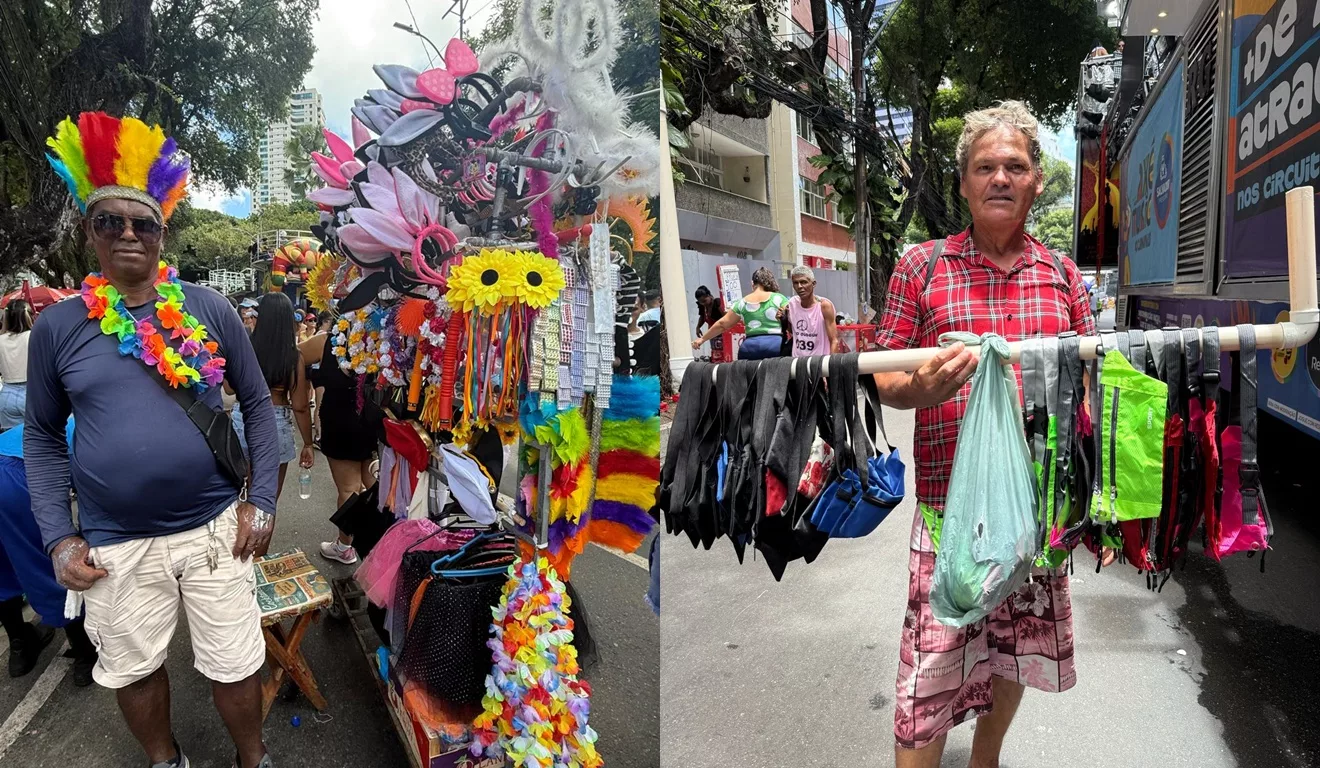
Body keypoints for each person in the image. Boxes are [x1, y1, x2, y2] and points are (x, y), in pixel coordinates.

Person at [26, 112, 280, 768]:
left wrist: (267, 501)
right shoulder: (58, 327)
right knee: (133, 670)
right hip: (114, 543)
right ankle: (166, 760)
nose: (130, 234)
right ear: (91, 232)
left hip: (215, 529)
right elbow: (43, 435)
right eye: (112, 222)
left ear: (162, 233)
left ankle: (253, 758)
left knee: (236, 664)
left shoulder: (208, 307)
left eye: (145, 223)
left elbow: (256, 400)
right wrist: (58, 537)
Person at [870, 101, 1099, 768]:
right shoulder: (922, 267)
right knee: (930, 667)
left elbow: (1089, 386)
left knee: (1015, 648)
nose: (1000, 177)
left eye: (1015, 166)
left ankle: (986, 757)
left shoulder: (1063, 277)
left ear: (1035, 183)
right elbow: (884, 372)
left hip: (1038, 511)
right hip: (950, 512)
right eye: (985, 167)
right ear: (964, 184)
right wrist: (922, 389)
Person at [0, 419, 99, 686]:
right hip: (16, 476)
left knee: (2, 570)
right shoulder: (100, 427)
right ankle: (85, 655)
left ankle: (19, 646)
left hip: (10, 461)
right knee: (51, 563)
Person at [227, 293, 315, 530]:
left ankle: (235, 556)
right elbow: (300, 405)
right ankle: (258, 558)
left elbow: (228, 386)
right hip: (276, 423)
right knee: (265, 501)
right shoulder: (293, 357)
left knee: (238, 495)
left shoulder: (246, 348)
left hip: (240, 417)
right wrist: (308, 442)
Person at [299, 321, 382, 565]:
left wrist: (303, 381)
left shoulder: (325, 340)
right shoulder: (378, 339)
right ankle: (381, 543)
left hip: (338, 421)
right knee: (373, 485)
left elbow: (292, 354)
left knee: (349, 489)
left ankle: (347, 546)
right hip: (370, 418)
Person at [691, 267, 788, 360]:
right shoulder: (779, 298)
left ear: (752, 283)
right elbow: (791, 319)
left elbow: (722, 324)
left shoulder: (742, 303)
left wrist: (702, 339)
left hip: (749, 349)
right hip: (775, 346)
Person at [783, 266, 840, 357]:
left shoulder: (824, 306)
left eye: (804, 282)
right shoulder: (792, 304)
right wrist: (782, 319)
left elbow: (834, 340)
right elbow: (794, 331)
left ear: (813, 284)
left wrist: (831, 366)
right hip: (798, 362)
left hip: (819, 363)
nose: (799, 286)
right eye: (796, 283)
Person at [0, 299, 33, 430]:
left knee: (11, 444)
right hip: (32, 394)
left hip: (6, 394)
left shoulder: (0, 340)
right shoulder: (34, 336)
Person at [692, 286, 725, 362]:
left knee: (723, 353)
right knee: (715, 353)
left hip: (722, 332)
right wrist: (698, 327)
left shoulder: (717, 303)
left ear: (709, 296)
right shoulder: (702, 306)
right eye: (701, 302)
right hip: (712, 333)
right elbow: (702, 317)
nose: (703, 304)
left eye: (704, 301)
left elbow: (725, 317)